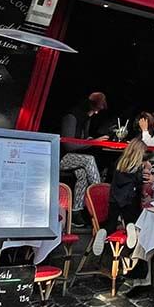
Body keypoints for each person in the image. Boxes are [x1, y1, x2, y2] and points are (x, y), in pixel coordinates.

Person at [60, 92, 107, 227]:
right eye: (96, 110)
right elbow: (68, 145)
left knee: (82, 174)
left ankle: (76, 212)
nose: (96, 113)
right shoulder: (72, 116)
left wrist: (89, 140)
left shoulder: (86, 119)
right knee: (89, 160)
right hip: (61, 158)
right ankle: (100, 199)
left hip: (73, 158)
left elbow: (81, 141)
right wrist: (94, 142)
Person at [94, 138, 146, 250]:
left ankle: (103, 232)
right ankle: (130, 227)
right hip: (129, 199)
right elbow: (139, 184)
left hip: (114, 199)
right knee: (131, 220)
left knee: (111, 224)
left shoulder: (119, 163)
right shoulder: (137, 168)